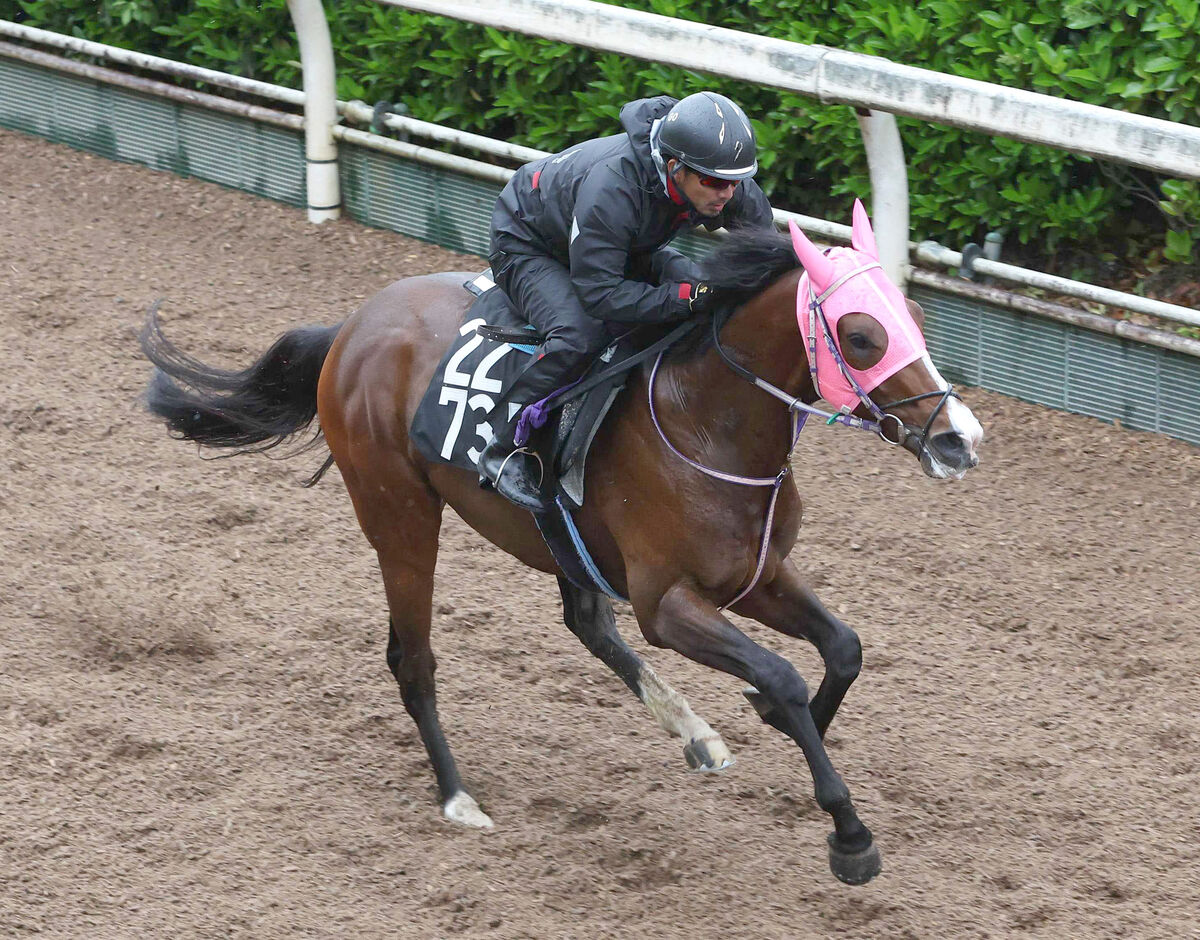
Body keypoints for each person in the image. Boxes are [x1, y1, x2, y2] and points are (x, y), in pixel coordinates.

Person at [479, 91, 776, 512]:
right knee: (579, 335)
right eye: (713, 182)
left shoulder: (717, 178)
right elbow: (601, 295)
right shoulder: (613, 188)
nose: (727, 193)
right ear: (675, 169)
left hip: (622, 241)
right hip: (530, 245)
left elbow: (765, 250)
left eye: (736, 181)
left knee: (700, 288)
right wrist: (688, 298)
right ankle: (505, 443)